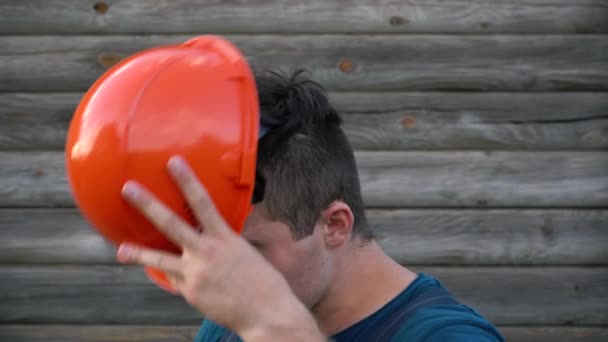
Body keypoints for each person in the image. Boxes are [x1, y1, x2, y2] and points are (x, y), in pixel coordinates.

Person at [117, 70, 505, 341]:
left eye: (251, 249)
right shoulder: (235, 322)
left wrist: (277, 330)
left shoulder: (447, 335)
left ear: (335, 224)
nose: (227, 272)